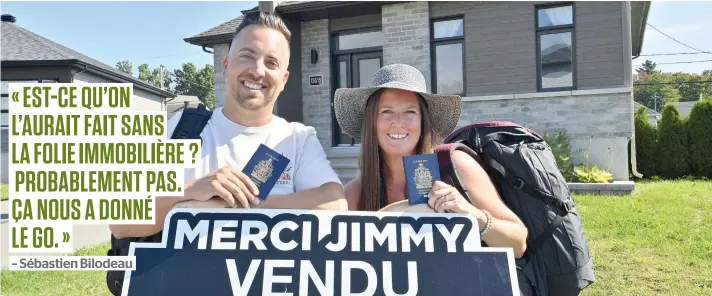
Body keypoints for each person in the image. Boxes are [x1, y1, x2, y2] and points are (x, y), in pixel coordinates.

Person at [110, 11, 347, 240]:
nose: (257, 71)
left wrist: (229, 207)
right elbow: (120, 223)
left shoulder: (297, 139)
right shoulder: (183, 128)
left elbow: (334, 204)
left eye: (271, 62)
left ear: (284, 80)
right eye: (247, 56)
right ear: (226, 66)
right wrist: (191, 190)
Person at [333, 64, 528, 258]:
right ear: (371, 122)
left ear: (422, 121)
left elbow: (518, 244)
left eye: (410, 112)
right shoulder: (357, 191)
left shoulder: (455, 164)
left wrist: (472, 215)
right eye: (386, 111)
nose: (398, 122)